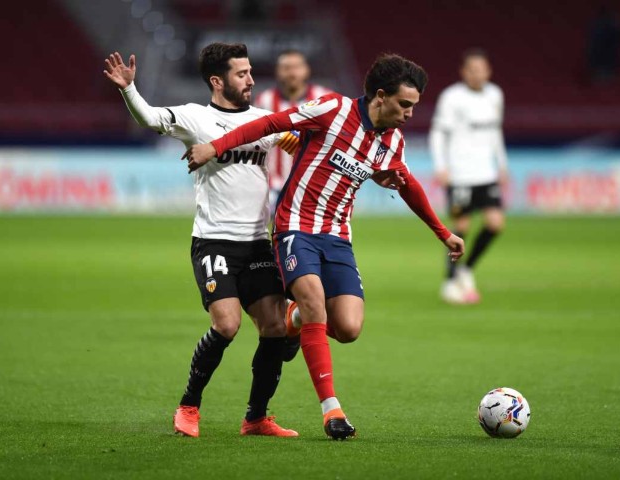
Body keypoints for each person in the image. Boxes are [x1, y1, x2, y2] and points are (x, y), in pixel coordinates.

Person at [182, 53, 465, 439]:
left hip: (338, 238)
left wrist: (442, 232)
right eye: (404, 105)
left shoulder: (391, 142)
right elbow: (270, 122)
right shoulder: (332, 109)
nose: (410, 114)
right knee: (314, 299)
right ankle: (332, 412)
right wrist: (216, 146)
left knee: (348, 327)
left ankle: (294, 320)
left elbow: (407, 183)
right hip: (294, 227)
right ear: (380, 96)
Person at [102, 43, 302, 438]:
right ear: (217, 80)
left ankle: (256, 418)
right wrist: (129, 89)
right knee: (226, 325)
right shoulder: (196, 118)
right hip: (214, 242)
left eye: (249, 72)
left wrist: (296, 141)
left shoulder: (266, 121)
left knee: (275, 328)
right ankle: (188, 406)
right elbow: (150, 117)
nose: (251, 80)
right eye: (242, 74)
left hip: (257, 243)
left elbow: (300, 140)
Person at [428, 48, 508, 305]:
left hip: (486, 173)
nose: (477, 74)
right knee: (461, 228)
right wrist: (441, 166)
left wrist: (502, 164)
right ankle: (450, 280)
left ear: (489, 71)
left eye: (481, 69)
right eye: (472, 69)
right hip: (461, 173)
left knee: (495, 223)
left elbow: (495, 133)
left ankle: (466, 269)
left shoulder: (495, 95)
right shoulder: (452, 98)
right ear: (464, 72)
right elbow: (438, 133)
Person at [254, 50, 333, 211]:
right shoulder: (264, 101)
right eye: (286, 68)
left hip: (312, 185)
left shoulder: (324, 99)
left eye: (296, 67)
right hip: (272, 185)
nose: (292, 73)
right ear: (278, 71)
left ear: (306, 70)